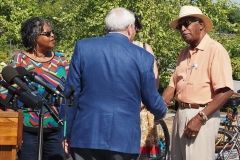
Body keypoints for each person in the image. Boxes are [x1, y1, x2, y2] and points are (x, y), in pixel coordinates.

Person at [64, 7, 167, 160]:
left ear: (107, 27)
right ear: (130, 28)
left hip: (86, 135)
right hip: (124, 139)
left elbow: (71, 95)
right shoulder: (143, 57)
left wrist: (66, 132)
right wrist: (161, 111)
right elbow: (150, 97)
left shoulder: (84, 47)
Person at [162, 5, 234, 160]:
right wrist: (159, 105)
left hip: (201, 115)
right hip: (180, 113)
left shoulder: (215, 50)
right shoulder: (183, 53)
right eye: (180, 26)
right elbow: (173, 84)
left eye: (186, 23)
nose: (182, 29)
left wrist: (200, 118)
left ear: (201, 24)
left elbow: (226, 90)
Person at [8, 17, 69, 160]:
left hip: (55, 127)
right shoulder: (20, 59)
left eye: (52, 32)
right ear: (35, 37)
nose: (52, 36)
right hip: (28, 128)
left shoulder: (61, 60)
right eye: (48, 33)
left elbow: (69, 91)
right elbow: (8, 91)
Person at [132, 15, 160, 159]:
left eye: (134, 25)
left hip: (142, 108)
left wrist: (146, 101)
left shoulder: (144, 47)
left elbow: (155, 78)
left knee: (142, 154)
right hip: (123, 107)